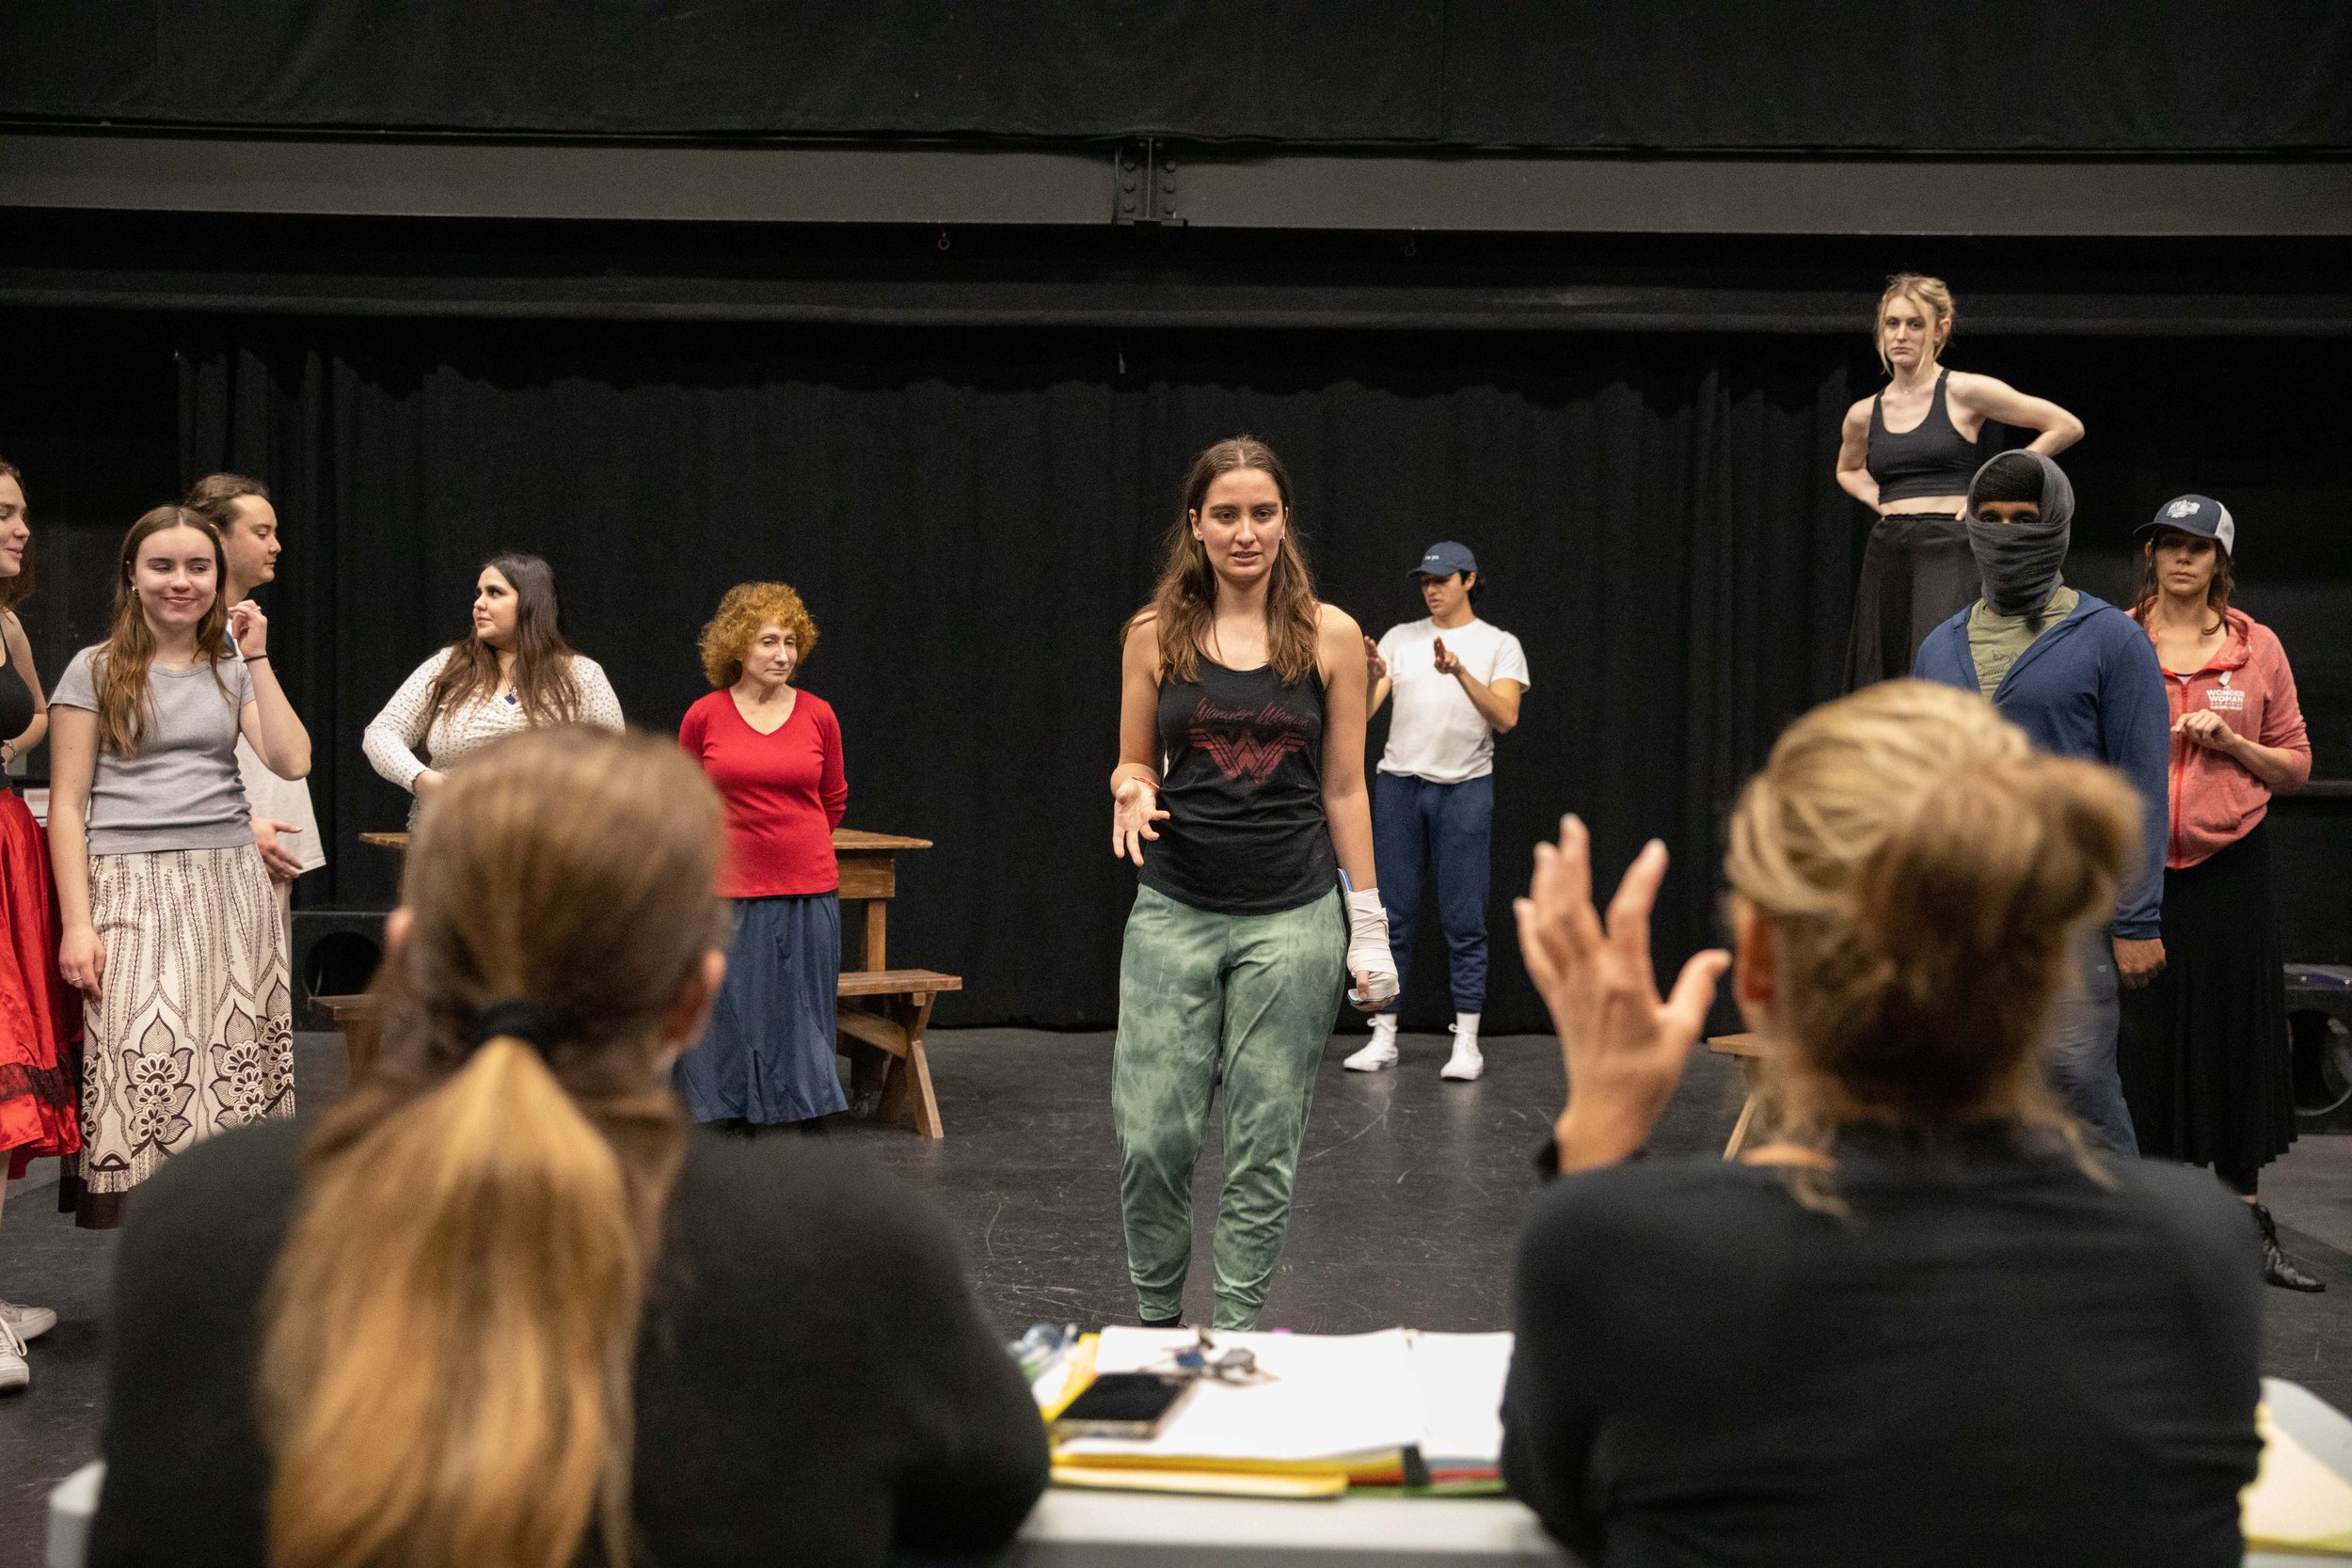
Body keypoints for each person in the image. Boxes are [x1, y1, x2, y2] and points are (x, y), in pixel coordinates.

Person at [89, 728, 1048, 1568]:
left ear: (408, 954)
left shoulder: (205, 1221)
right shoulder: (844, 1244)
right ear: (696, 993)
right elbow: (990, 1487)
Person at [1502, 680, 2260, 1567]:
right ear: (2049, 967)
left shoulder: (1620, 1248)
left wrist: (1597, 1131)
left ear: (1757, 964)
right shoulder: (2196, 1245)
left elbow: (1557, 1491)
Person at [1109, 435, 1398, 1332]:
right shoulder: (1153, 635)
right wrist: (1129, 788)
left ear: (1284, 522)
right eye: (1226, 514)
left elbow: (1344, 786)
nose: (1246, 532)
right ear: (1195, 525)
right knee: (1153, 1138)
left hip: (1292, 916)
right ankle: (1157, 1327)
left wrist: (1368, 921)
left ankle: (1233, 1335)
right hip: (1174, 910)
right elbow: (1132, 760)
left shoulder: (1334, 635)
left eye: (1262, 513)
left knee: (1262, 1148)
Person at [47, 505, 310, 1228]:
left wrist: (255, 656)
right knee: (143, 1060)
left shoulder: (231, 667)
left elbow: (293, 759)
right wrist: (77, 923)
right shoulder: (94, 668)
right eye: (162, 566)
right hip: (128, 883)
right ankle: (157, 1265)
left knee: (231, 1067)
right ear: (132, 575)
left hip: (228, 883)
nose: (181, 582)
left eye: (198, 567)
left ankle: (223, 1253)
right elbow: (67, 806)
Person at [1913, 449, 2168, 1157]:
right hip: (1963, 908)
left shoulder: (2113, 641)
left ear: (2054, 523)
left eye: (2023, 520)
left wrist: (2138, 916)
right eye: (1990, 519)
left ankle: (2122, 1250)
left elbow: (2141, 787)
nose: (2005, 533)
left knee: (2077, 1081)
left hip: (2068, 909)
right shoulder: (1939, 647)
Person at [2120, 495, 2321, 1292]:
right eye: (2167, 545)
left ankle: (2243, 1225)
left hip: (2231, 869)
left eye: (2196, 549)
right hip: (2140, 870)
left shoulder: (2256, 648)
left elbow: (2296, 763)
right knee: (2146, 1042)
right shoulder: (2119, 638)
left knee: (2234, 1037)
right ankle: (2157, 1226)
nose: (2179, 560)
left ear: (2219, 562)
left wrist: (2234, 741)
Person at [1838, 273, 2086, 688]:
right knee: (1883, 667)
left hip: (1949, 545)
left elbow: (2065, 426)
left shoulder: (1962, 391)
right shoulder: (1865, 412)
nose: (1901, 335)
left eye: (1915, 324)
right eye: (1892, 323)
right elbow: (1847, 468)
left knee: (1939, 661)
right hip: (1889, 548)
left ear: (1941, 329)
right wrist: (1878, 500)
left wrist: (1986, 487)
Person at [1344, 542, 1528, 1081]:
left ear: (1469, 581)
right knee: (1391, 915)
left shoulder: (1499, 645)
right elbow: (1362, 712)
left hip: (1465, 790)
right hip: (1400, 787)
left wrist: (1459, 672)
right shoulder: (1402, 638)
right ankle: (1383, 1036)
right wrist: (1368, 672)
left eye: (1443, 579)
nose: (1431, 588)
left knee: (1464, 920)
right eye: (1425, 579)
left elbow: (1506, 718)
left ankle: (1466, 1042)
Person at [675, 582, 849, 1132]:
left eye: (791, 642)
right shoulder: (705, 715)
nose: (782, 655)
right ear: (737, 649)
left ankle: (800, 1108)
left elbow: (833, 797)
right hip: (728, 886)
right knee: (729, 1005)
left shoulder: (819, 714)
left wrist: (797, 843)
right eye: (768, 641)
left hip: (807, 884)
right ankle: (726, 1109)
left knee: (801, 1006)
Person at [0, 461, 81, 1389]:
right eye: (6, 514)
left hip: (11, 842)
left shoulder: (9, 620)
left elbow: (37, 719)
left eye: (24, 510)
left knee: (13, 1076)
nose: (24, 528)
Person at [363, 551, 623, 819]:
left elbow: (617, 761)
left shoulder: (582, 675)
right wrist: (420, 778)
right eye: (478, 594)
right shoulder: (449, 666)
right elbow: (381, 732)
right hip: (453, 828)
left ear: (531, 602)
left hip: (550, 836)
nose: (479, 604)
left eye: (494, 593)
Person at [185, 474, 324, 951]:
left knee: (267, 1005)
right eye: (261, 533)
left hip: (265, 838)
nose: (276, 546)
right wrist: (242, 826)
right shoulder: (186, 633)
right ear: (214, 534)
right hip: (220, 841)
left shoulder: (240, 626)